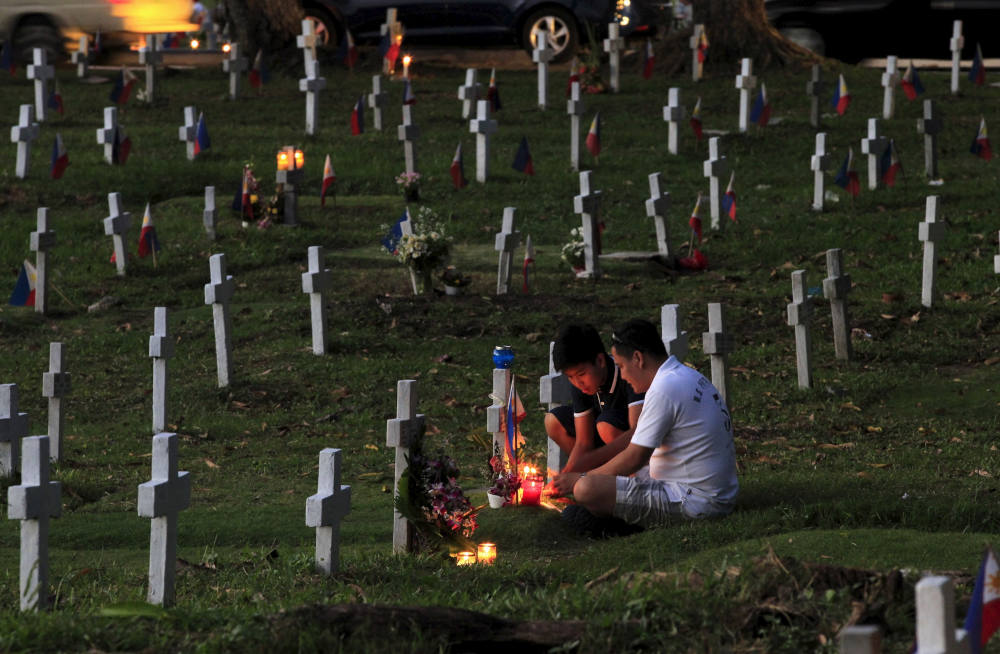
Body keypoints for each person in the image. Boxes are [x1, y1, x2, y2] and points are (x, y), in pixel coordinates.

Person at [553, 318, 738, 528]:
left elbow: (635, 457)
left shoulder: (663, 389)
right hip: (712, 492)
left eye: (621, 366)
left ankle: (622, 524)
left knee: (586, 489)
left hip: (694, 500)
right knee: (595, 485)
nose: (621, 374)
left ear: (638, 358)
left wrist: (581, 478)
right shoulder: (683, 376)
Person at [544, 324, 644, 473]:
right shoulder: (580, 385)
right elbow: (584, 442)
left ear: (600, 360)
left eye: (581, 374)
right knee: (553, 421)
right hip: (602, 444)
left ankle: (628, 481)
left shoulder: (627, 375)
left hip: (635, 447)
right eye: (570, 377)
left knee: (605, 426)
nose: (578, 382)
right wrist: (567, 473)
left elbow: (640, 435)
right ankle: (592, 478)